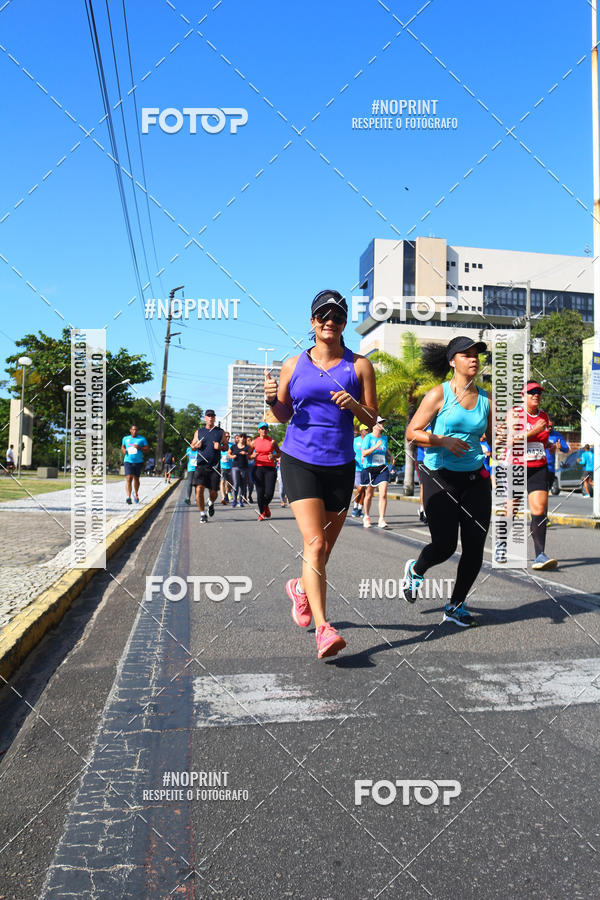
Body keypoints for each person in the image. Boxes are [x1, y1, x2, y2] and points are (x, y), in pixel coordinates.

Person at [265, 289, 377, 659]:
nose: (330, 321)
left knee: (323, 549)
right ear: (312, 322)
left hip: (341, 465)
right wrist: (270, 400)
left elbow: (373, 419)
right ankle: (324, 628)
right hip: (299, 460)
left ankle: (299, 588)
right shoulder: (292, 364)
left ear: (344, 324)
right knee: (313, 544)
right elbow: (282, 415)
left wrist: (355, 404)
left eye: (337, 316)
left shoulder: (359, 366)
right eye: (322, 316)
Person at [402, 336, 492, 627]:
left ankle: (455, 605)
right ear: (452, 361)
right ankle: (416, 569)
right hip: (439, 476)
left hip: (475, 478)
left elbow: (493, 438)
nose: (473, 359)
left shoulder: (486, 400)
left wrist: (507, 439)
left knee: (475, 547)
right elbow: (412, 432)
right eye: (466, 355)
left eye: (476, 354)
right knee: (445, 545)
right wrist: (443, 441)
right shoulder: (438, 395)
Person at [190, 409, 227, 523]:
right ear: (205, 418)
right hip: (201, 465)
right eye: (208, 416)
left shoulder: (220, 432)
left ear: (215, 418)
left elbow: (226, 447)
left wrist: (220, 447)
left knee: (214, 492)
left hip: (214, 466)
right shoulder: (199, 431)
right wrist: (196, 445)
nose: (210, 418)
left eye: (212, 416)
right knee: (199, 489)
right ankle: (202, 514)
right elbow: (192, 446)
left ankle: (211, 502)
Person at [361, 417, 392, 529]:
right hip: (370, 469)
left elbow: (385, 449)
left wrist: (391, 456)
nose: (382, 424)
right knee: (369, 495)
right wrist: (375, 447)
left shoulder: (384, 438)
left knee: (383, 493)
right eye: (380, 423)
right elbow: (364, 453)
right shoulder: (368, 438)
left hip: (382, 468)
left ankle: (382, 519)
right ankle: (366, 516)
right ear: (373, 425)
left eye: (383, 422)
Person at [252, 423, 280, 520]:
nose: (263, 430)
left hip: (270, 469)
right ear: (258, 430)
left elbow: (279, 453)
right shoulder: (254, 442)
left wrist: (274, 456)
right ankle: (262, 513)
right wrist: (252, 456)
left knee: (269, 493)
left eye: (265, 429)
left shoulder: (272, 442)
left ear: (268, 430)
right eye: (262, 429)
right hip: (258, 468)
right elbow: (248, 456)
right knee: (260, 493)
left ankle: (265, 505)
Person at [121, 425, 149, 504]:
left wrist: (139, 448)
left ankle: (136, 493)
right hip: (128, 460)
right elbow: (122, 446)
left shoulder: (142, 439)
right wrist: (123, 450)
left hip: (138, 461)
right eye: (133, 430)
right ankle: (129, 497)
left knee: (136, 479)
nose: (135, 431)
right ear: (130, 430)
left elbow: (147, 449)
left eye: (136, 430)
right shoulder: (125, 438)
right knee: (129, 478)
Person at [546, 418, 570, 495]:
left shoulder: (557, 436)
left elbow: (566, 449)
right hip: (538, 468)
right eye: (548, 426)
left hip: (550, 469)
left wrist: (560, 447)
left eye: (552, 426)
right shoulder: (537, 433)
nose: (550, 428)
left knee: (545, 493)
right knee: (539, 492)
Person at [229, 433, 251, 507]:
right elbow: (228, 454)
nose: (242, 439)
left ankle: (240, 500)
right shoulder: (233, 447)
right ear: (238, 438)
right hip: (235, 467)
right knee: (236, 483)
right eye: (240, 437)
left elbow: (251, 456)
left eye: (243, 437)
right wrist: (232, 456)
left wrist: (246, 453)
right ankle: (234, 500)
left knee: (243, 485)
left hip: (244, 467)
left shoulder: (247, 447)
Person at [351, 425, 368, 517]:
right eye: (365, 430)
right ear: (361, 431)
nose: (367, 431)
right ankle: (355, 507)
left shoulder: (369, 440)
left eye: (368, 430)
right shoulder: (355, 440)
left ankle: (360, 509)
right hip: (357, 468)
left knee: (363, 490)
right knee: (359, 488)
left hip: (366, 467)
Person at [219, 432, 233, 503]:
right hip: (222, 466)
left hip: (230, 466)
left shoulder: (232, 445)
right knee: (222, 481)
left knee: (229, 483)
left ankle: (227, 492)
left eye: (228, 437)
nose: (227, 438)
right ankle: (223, 497)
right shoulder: (220, 445)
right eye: (226, 436)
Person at [246, 435, 255, 503]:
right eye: (248, 440)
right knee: (245, 483)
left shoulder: (254, 448)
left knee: (251, 483)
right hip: (245, 467)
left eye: (251, 440)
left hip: (253, 467)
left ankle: (249, 495)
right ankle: (244, 496)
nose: (250, 441)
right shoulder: (244, 448)